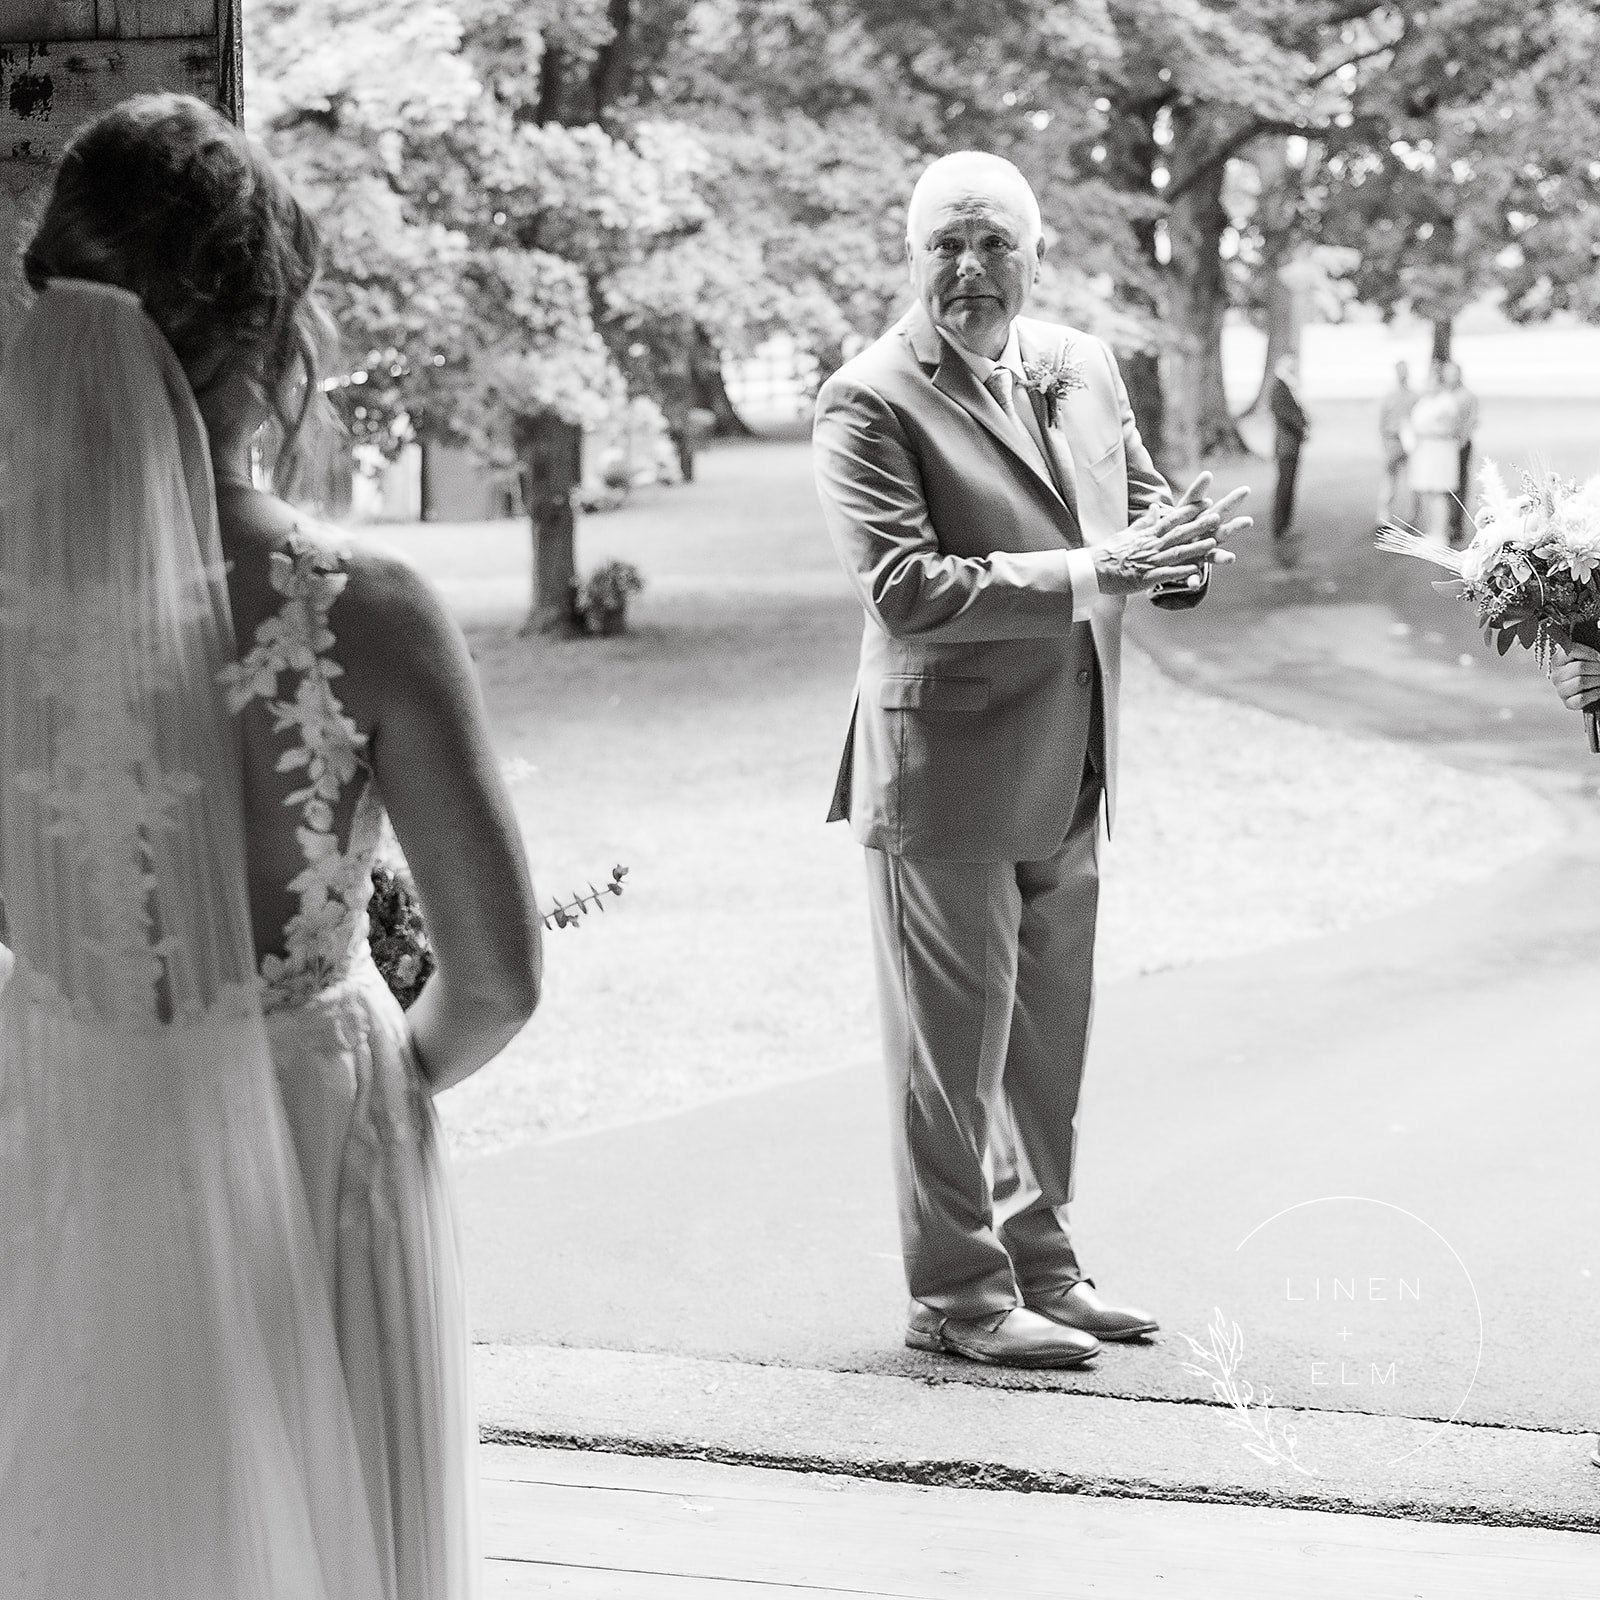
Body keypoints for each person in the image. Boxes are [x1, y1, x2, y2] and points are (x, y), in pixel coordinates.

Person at [1, 94, 542, 1597]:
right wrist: (348, 1077)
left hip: (59, 1143)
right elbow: (496, 979)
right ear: (269, 337)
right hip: (326, 1158)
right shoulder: (360, 608)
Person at [812, 151, 1247, 1370]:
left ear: (1034, 254)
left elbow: (1140, 513)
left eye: (995, 243)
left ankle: (1042, 1266)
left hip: (1074, 757)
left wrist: (1181, 554)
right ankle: (954, 1294)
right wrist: (1091, 574)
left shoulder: (1080, 363)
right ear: (910, 256)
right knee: (950, 1051)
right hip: (941, 772)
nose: (971, 268)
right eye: (947, 243)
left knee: (1048, 1035)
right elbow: (906, 589)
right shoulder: (868, 400)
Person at [1406, 362, 1462, 547]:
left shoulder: (1446, 402)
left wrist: (1424, 431)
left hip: (1440, 453)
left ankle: (1440, 533)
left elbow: (1450, 429)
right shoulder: (1424, 401)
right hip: (1424, 452)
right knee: (1427, 493)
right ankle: (1431, 531)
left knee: (1439, 493)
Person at [1268, 354, 1309, 562]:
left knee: (1289, 485)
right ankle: (1279, 526)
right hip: (1286, 446)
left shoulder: (1287, 387)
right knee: (1284, 486)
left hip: (1291, 445)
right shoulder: (1279, 388)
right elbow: (1286, 414)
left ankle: (1285, 525)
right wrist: (1301, 428)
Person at [1443, 360, 1479, 546]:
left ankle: (1456, 526)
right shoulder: (1443, 394)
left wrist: (1460, 442)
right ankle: (1444, 524)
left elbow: (1472, 421)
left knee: (1459, 485)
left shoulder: (1468, 396)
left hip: (1460, 446)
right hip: (1443, 447)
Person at [1377, 359, 1415, 532]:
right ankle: (1383, 517)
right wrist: (1384, 443)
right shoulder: (1389, 397)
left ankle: (1410, 517)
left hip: (1409, 442)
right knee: (1389, 481)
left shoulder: (1414, 396)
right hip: (1393, 440)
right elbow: (1382, 423)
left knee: (1410, 482)